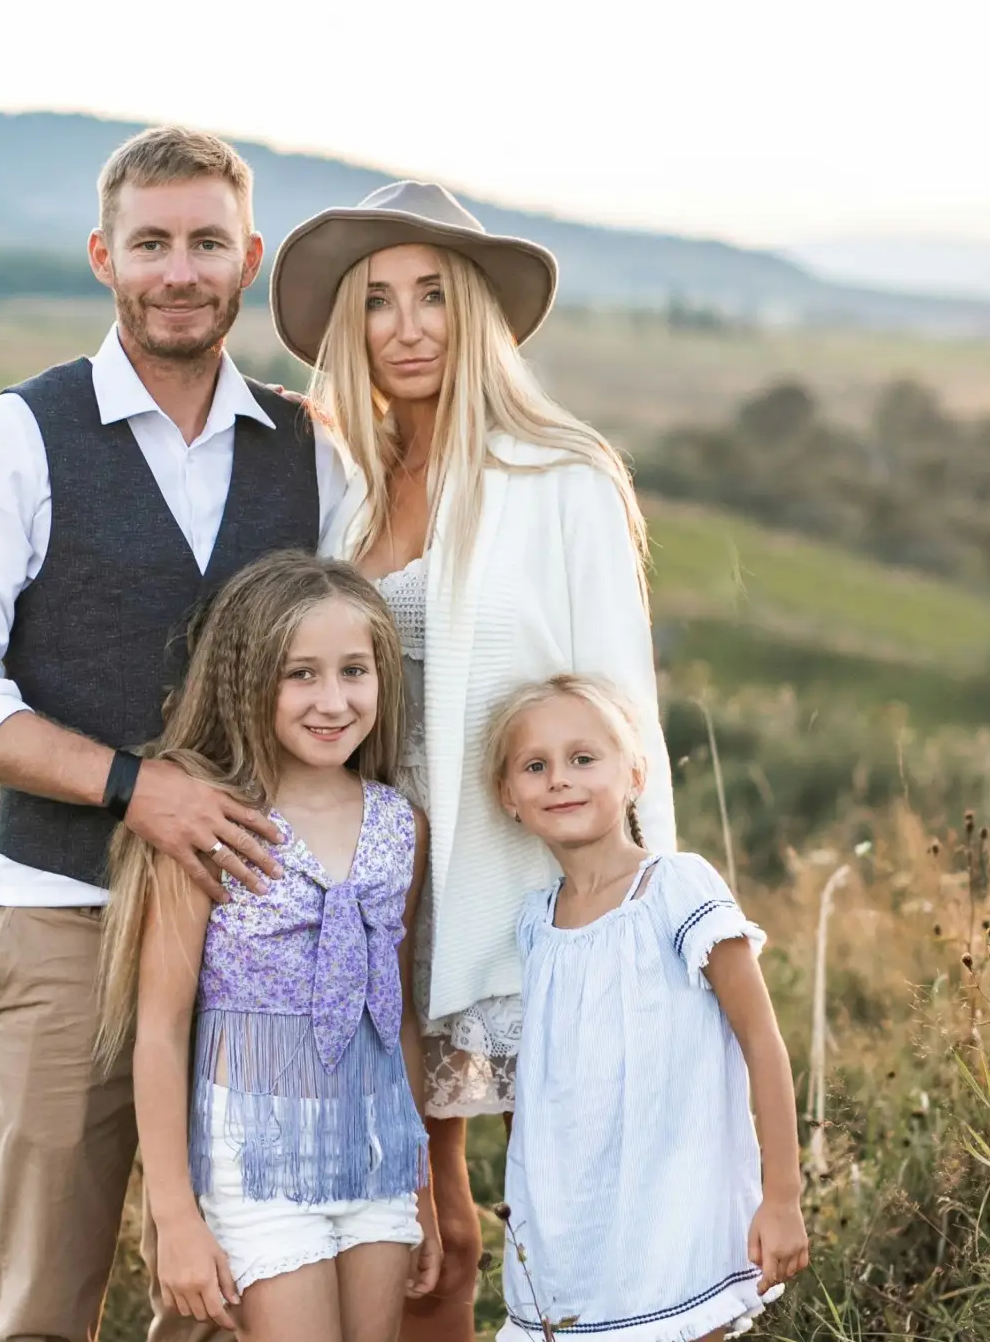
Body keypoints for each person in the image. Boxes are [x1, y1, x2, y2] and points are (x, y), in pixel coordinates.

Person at [0, 126, 349, 1342]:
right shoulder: (9, 435)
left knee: (230, 1302)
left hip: (262, 936)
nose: (179, 271)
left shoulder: (314, 449)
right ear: (104, 255)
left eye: (206, 243)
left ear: (247, 259)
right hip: (64, 922)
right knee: (46, 1302)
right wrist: (131, 789)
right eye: (151, 244)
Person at [267, 181, 674, 1336]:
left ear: (477, 315)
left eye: (431, 296)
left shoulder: (560, 478)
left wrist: (638, 921)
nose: (404, 327)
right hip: (378, 913)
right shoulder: (345, 500)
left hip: (522, 907)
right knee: (421, 1238)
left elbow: (618, 713)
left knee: (574, 1228)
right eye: (378, 302)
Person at [98, 551, 444, 1339]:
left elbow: (400, 1020)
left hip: (378, 1154)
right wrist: (176, 1217)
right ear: (249, 679)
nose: (334, 700)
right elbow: (159, 1030)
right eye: (302, 675)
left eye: (355, 671)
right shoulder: (211, 827)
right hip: (258, 1163)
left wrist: (419, 1183)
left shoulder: (401, 826)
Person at [490, 674, 809, 1341]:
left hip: (671, 1214)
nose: (559, 780)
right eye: (535, 766)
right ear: (508, 797)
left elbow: (761, 1039)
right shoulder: (533, 922)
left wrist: (781, 1198)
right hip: (569, 1229)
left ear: (635, 773)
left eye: (583, 759)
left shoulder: (676, 887)